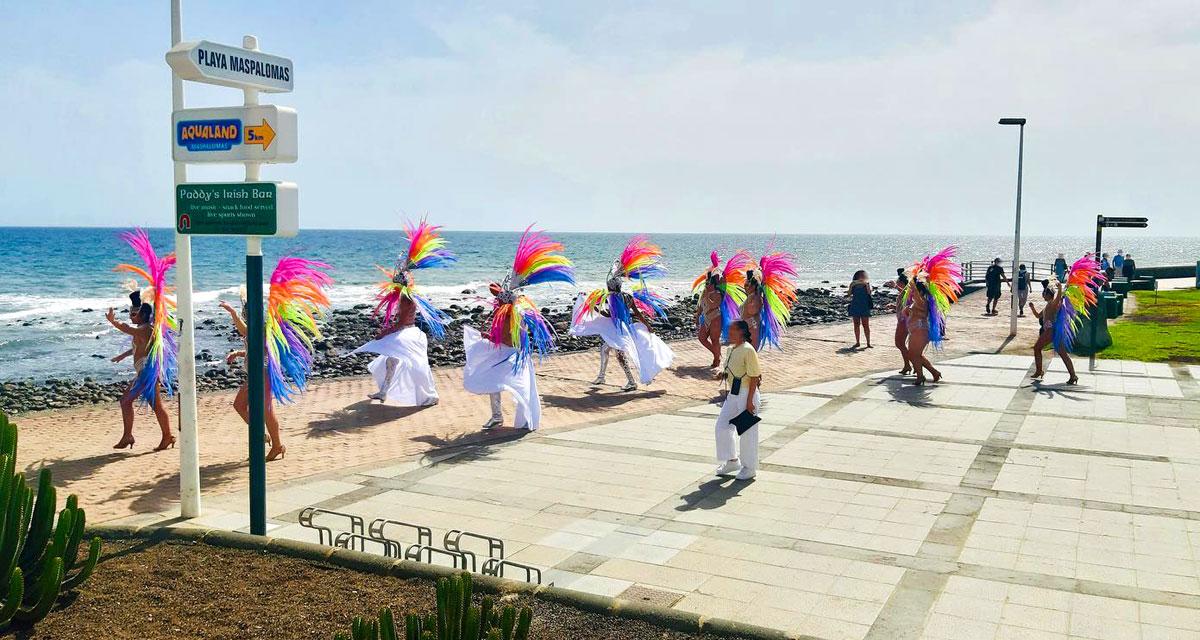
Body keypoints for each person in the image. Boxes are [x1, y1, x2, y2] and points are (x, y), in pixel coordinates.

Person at [464, 227, 574, 430]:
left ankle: (516, 416)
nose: (495, 303)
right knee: (495, 382)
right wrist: (488, 336)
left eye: (498, 301)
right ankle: (498, 416)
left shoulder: (513, 312)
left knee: (511, 385)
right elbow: (504, 334)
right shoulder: (516, 309)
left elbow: (507, 338)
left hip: (512, 355)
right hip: (508, 353)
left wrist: (487, 337)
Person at [352, 220, 454, 406]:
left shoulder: (407, 298)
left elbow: (401, 323)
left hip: (408, 334)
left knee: (413, 366)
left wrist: (384, 333)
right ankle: (383, 392)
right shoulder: (406, 296)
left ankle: (429, 395)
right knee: (391, 361)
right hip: (408, 333)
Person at [221, 299, 286, 461]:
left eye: (245, 312)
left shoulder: (261, 329)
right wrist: (237, 353)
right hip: (256, 373)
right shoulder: (257, 329)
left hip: (263, 372)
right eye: (243, 312)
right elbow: (254, 350)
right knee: (239, 405)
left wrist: (232, 313)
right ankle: (260, 436)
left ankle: (277, 446)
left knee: (267, 410)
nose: (244, 314)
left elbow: (245, 332)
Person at [106, 300, 173, 451]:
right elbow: (139, 347)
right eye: (130, 313)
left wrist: (113, 322)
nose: (131, 316)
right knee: (156, 406)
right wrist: (122, 355)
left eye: (134, 314)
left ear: (143, 315)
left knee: (125, 401)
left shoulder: (146, 329)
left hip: (146, 373)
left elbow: (127, 328)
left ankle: (128, 436)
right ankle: (167, 436)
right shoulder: (143, 329)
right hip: (146, 373)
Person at [713, 320, 761, 481]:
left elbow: (754, 376)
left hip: (747, 393)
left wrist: (749, 401)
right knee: (722, 426)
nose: (729, 333)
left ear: (741, 332)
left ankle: (749, 468)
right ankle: (732, 460)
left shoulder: (748, 350)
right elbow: (732, 370)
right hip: (733, 394)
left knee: (747, 432)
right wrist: (723, 374)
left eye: (732, 330)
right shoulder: (730, 349)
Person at [1029, 279, 1078, 385]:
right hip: (1051, 332)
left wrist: (1060, 288)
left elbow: (1059, 298)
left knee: (1037, 348)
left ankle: (1039, 371)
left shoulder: (1054, 304)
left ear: (1048, 295)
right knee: (1063, 354)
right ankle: (1073, 375)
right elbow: (1038, 315)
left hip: (1050, 331)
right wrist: (1032, 308)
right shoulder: (1048, 305)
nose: (1043, 294)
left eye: (1044, 293)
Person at [903, 280, 942, 386]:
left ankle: (921, 376)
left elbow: (916, 295)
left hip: (920, 332)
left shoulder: (922, 301)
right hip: (915, 331)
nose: (910, 292)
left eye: (913, 291)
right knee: (914, 355)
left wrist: (914, 286)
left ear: (919, 292)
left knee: (913, 355)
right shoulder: (917, 302)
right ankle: (932, 373)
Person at [887, 271, 912, 374]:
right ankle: (907, 365)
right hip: (902, 320)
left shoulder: (907, 290)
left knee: (899, 343)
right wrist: (894, 307)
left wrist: (895, 286)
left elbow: (907, 297)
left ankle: (913, 363)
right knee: (900, 344)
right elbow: (904, 303)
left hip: (903, 321)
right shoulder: (905, 291)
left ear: (902, 282)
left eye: (898, 282)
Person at [847, 270, 872, 348]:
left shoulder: (867, 284)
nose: (861, 277)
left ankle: (868, 343)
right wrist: (851, 286)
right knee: (856, 324)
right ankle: (857, 342)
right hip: (855, 305)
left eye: (863, 275)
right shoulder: (853, 284)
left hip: (864, 305)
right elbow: (849, 294)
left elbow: (869, 292)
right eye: (860, 276)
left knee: (866, 325)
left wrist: (865, 283)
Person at [741, 268, 763, 350]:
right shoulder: (751, 296)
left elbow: (751, 310)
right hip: (746, 327)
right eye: (744, 285)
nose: (745, 288)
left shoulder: (756, 298)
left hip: (753, 326)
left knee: (751, 352)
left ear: (753, 286)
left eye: (747, 285)